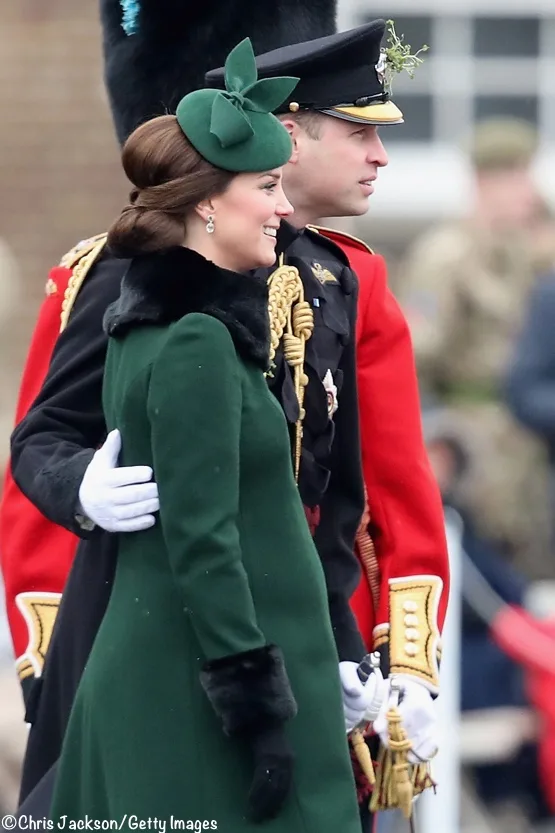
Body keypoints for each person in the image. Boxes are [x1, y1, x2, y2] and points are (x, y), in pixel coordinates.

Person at [5, 7, 448, 824]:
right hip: (157, 634)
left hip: (297, 639)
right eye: (357, 132)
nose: (380, 154)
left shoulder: (339, 280)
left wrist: (377, 657)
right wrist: (82, 493)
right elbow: (41, 439)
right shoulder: (137, 267)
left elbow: (350, 501)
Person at [49, 40, 362, 830]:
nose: (284, 207)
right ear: (207, 205)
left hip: (195, 669)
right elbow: (204, 539)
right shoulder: (193, 341)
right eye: (264, 186)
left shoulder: (167, 324)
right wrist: (255, 708)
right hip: (200, 693)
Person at [396, 116, 551, 579]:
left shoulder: (528, 252)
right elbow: (413, 355)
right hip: (471, 441)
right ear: (485, 181)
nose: (527, 190)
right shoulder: (446, 255)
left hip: (524, 445)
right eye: (515, 177)